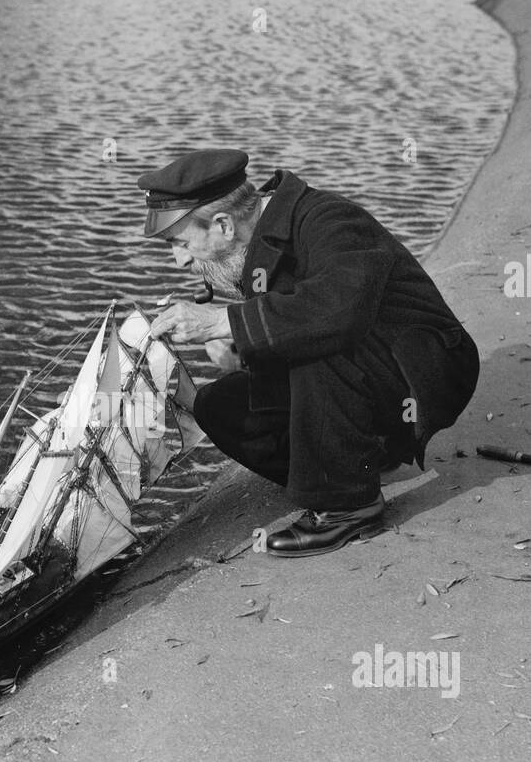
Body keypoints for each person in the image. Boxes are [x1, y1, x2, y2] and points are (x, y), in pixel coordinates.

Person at [142, 148, 479, 557]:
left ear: (224, 225)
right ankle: (355, 465)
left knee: (315, 337)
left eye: (179, 243)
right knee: (216, 405)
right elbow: (288, 316)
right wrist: (239, 350)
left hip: (423, 370)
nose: (178, 261)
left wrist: (221, 322)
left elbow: (338, 311)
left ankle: (349, 505)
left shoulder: (328, 219)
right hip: (363, 373)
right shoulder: (255, 236)